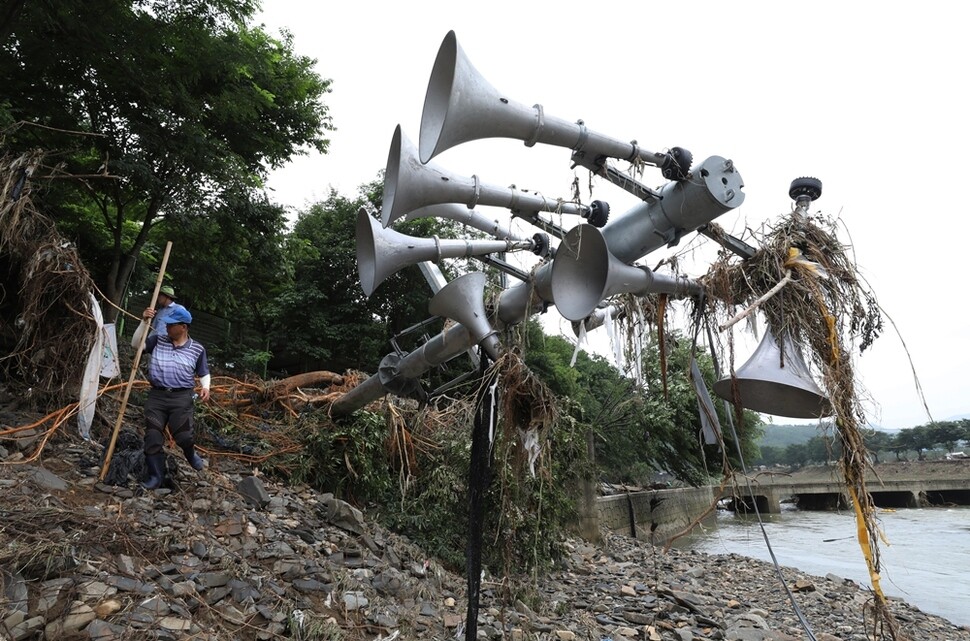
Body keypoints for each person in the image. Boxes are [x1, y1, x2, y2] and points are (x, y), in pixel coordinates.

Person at [131, 306, 211, 490]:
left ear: (183, 327)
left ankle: (191, 455)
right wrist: (144, 321)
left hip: (181, 398)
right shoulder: (158, 340)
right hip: (157, 396)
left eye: (171, 325)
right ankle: (155, 477)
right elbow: (136, 345)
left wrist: (206, 387)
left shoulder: (197, 349)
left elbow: (204, 372)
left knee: (183, 436)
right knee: (152, 436)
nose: (167, 328)